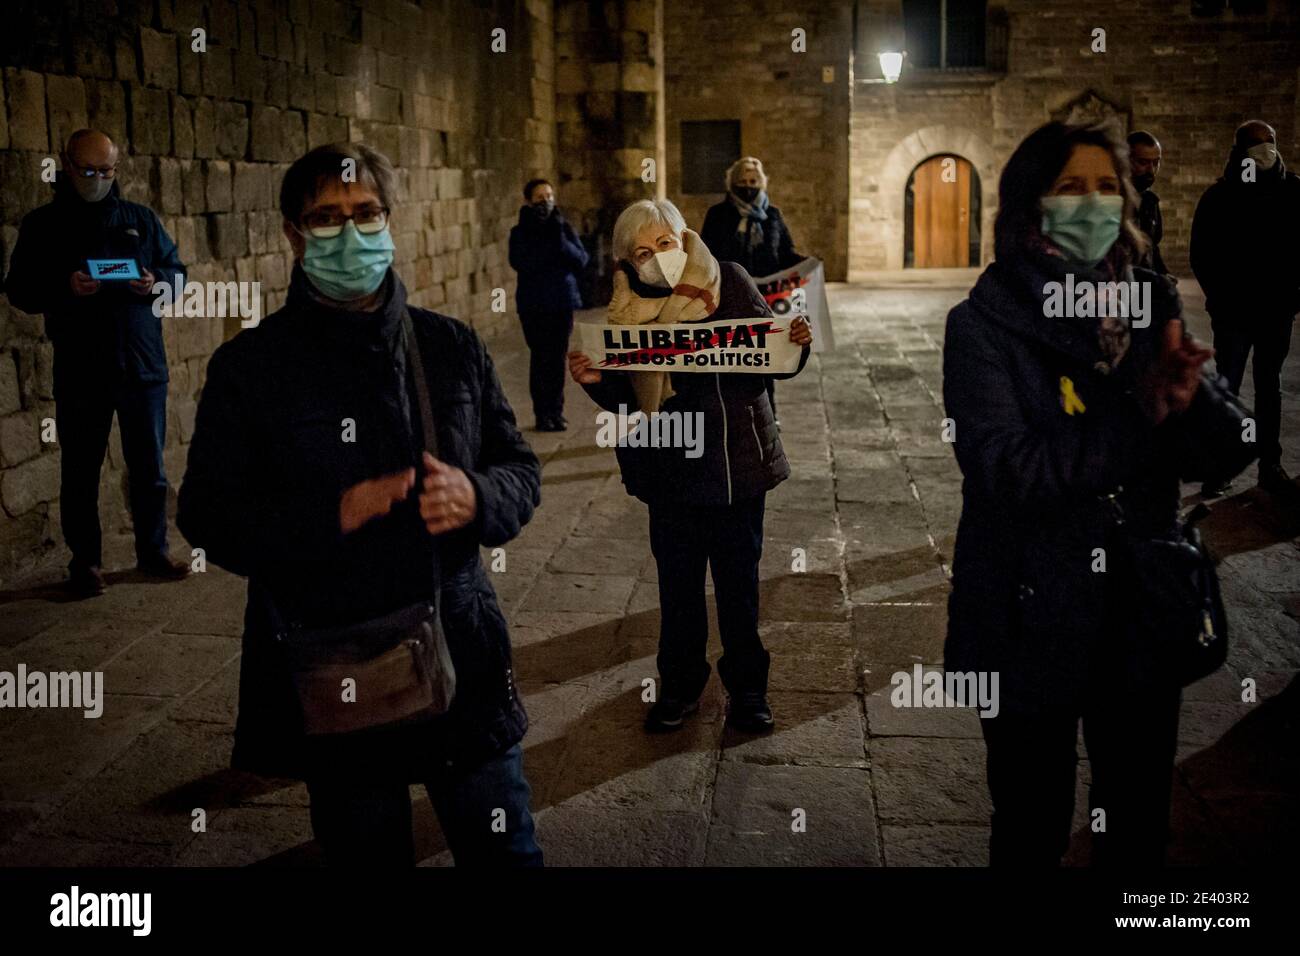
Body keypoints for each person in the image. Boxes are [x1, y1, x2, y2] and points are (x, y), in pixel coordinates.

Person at [177, 143, 544, 867]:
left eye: (365, 213)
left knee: (506, 851)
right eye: (326, 217)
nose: (350, 233)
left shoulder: (450, 347)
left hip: (458, 648)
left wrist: (478, 494)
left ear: (389, 220)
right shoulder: (251, 369)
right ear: (292, 233)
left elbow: (519, 468)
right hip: (336, 665)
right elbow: (206, 515)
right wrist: (329, 517)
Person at [943, 121, 1244, 867]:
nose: (1093, 202)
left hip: (1139, 608)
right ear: (1030, 204)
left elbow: (1230, 448)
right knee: (1030, 822)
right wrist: (1138, 413)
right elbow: (1006, 469)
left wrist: (1194, 401)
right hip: (1024, 610)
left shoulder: (1150, 298)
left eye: (1108, 187)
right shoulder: (983, 323)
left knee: (1138, 821)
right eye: (1070, 187)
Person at [567, 199, 811, 734]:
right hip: (670, 473)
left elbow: (771, 359)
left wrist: (796, 345)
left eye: (665, 242)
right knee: (678, 591)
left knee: (738, 588)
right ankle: (679, 688)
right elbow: (627, 401)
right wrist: (595, 382)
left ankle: (748, 691)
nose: (657, 256)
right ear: (628, 263)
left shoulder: (731, 281)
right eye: (642, 251)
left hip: (735, 464)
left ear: (684, 237)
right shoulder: (625, 309)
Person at [5, 129, 190, 596]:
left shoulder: (139, 220)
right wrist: (64, 286)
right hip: (81, 369)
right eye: (88, 171)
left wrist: (155, 282)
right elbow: (21, 289)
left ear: (117, 168)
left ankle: (153, 551)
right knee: (81, 468)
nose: (97, 179)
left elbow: (177, 273)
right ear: (66, 165)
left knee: (149, 465)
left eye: (106, 171)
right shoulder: (42, 225)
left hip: (142, 365)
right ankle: (85, 563)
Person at [1191, 119, 1300, 498]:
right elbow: (1201, 254)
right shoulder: (1220, 197)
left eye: (1270, 140)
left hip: (1276, 312)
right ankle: (1221, 466)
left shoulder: (1293, 191)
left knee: (1269, 388)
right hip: (1234, 314)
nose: (1266, 148)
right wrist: (1220, 298)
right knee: (1228, 388)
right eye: (1256, 143)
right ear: (1240, 152)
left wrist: (1293, 297)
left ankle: (1270, 464)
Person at [700, 157, 806, 424]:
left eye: (753, 182)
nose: (749, 187)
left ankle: (767, 415)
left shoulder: (773, 215)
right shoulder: (718, 215)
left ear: (762, 183)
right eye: (742, 182)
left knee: (766, 355)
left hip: (766, 299)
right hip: (729, 298)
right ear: (732, 184)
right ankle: (732, 415)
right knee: (733, 356)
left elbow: (784, 252)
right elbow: (706, 256)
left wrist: (808, 265)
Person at [508, 178, 588, 432]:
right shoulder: (520, 232)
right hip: (534, 304)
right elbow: (521, 262)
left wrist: (558, 239)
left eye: (549, 195)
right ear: (529, 201)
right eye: (540, 197)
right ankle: (542, 413)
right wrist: (544, 243)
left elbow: (581, 259)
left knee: (556, 359)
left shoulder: (563, 227)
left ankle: (557, 411)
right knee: (540, 358)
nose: (546, 201)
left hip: (562, 302)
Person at [1127, 130, 1168, 276]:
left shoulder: (1150, 202)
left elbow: (1152, 248)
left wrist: (1163, 275)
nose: (1151, 170)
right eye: (1143, 162)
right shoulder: (1114, 202)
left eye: (1156, 163)